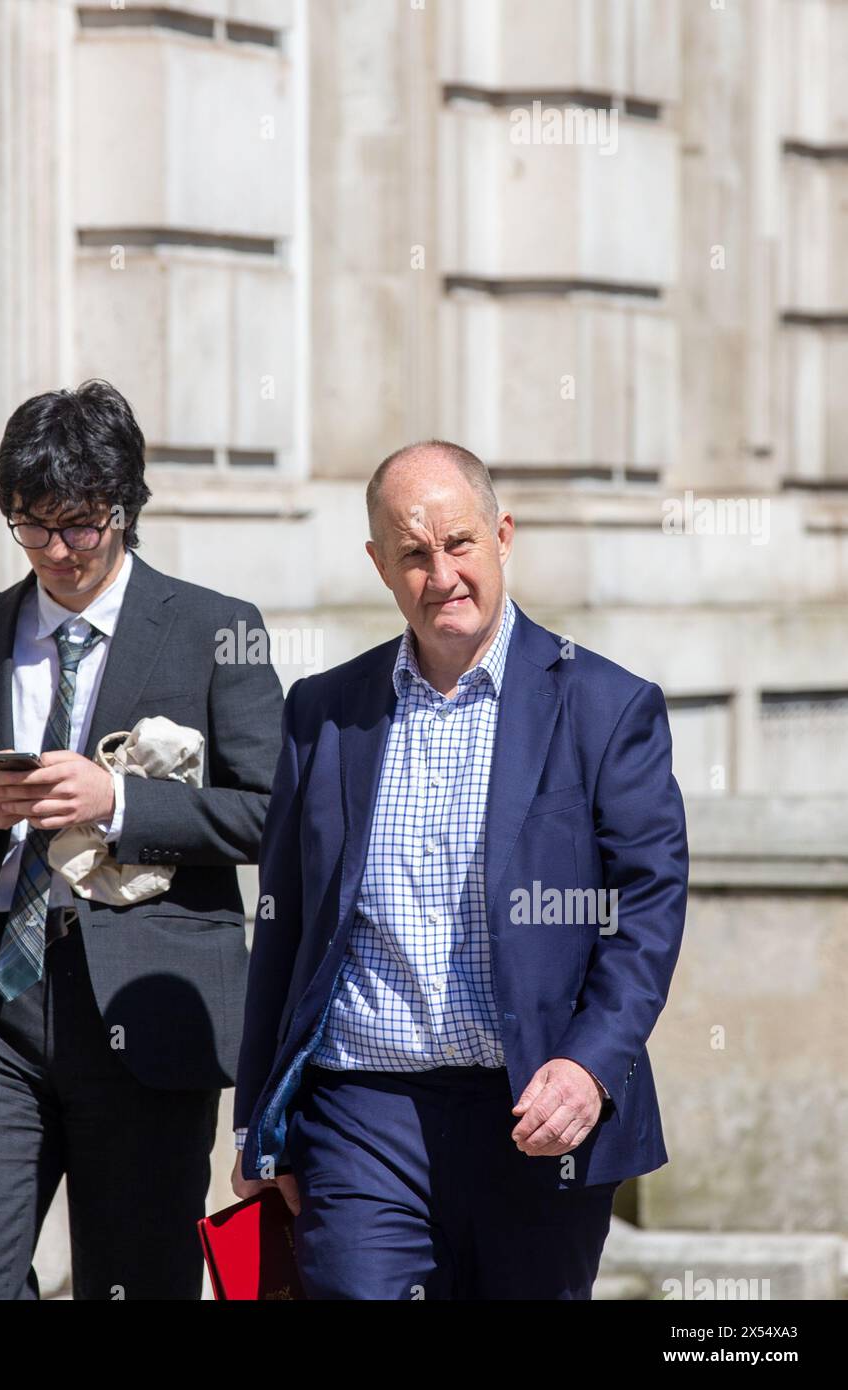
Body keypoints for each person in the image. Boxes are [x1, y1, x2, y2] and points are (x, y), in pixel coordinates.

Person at [232, 440, 688, 1300]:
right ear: (379, 565)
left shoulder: (604, 706)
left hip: (536, 1107)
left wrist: (592, 1064)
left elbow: (647, 907)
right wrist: (261, 1126)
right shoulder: (323, 714)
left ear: (503, 535)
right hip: (362, 1111)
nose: (440, 574)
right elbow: (283, 925)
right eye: (412, 553)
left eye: (460, 543)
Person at [0, 379, 283, 1299]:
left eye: (82, 525)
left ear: (126, 508)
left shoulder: (218, 631)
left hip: (147, 1010)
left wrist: (121, 802)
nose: (58, 551)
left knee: (136, 1282)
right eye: (33, 526)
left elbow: (269, 813)